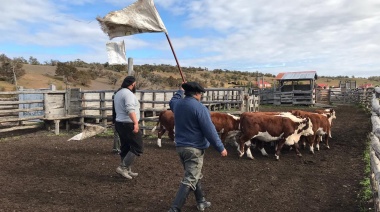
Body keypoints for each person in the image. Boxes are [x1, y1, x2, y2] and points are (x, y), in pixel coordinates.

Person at [168, 82, 228, 212]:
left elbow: (172, 101)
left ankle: (201, 201)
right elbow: (210, 131)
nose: (201, 96)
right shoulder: (200, 109)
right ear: (197, 93)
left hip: (180, 147)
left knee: (195, 174)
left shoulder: (178, 105)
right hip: (194, 148)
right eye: (201, 94)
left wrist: (179, 91)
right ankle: (174, 209)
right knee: (190, 178)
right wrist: (220, 147)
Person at [113, 76, 143, 179]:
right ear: (133, 84)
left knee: (126, 146)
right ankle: (123, 167)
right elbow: (130, 109)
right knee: (137, 147)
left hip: (120, 123)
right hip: (128, 123)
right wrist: (135, 123)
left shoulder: (118, 93)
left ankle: (127, 169)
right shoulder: (128, 94)